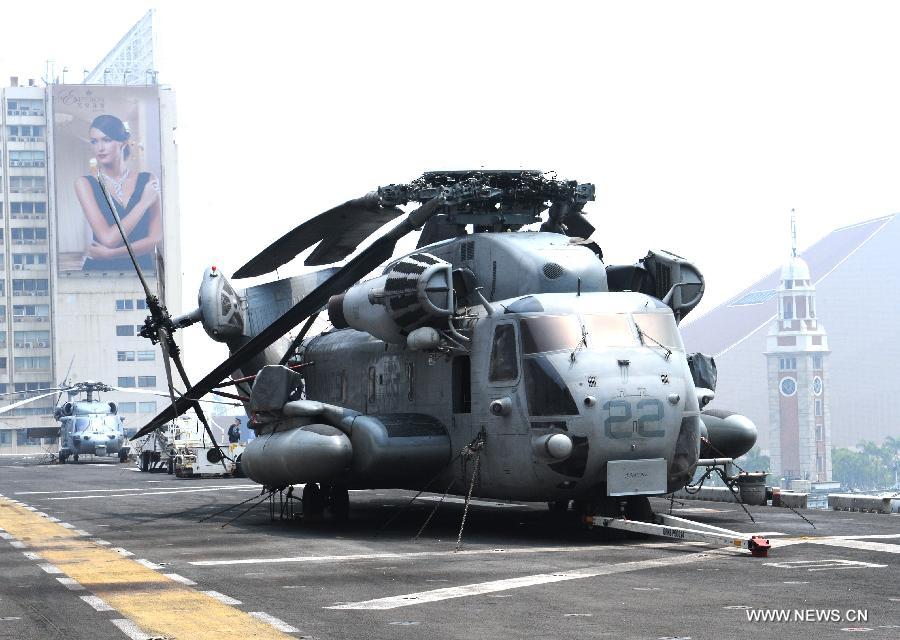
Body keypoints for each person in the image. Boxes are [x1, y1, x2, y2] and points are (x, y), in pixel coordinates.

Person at [73, 114, 162, 271]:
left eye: (106, 140)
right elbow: (108, 239)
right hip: (101, 274)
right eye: (94, 141)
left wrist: (111, 254)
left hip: (142, 271)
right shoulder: (85, 184)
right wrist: (143, 203)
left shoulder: (148, 180)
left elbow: (155, 238)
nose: (100, 148)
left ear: (123, 143)